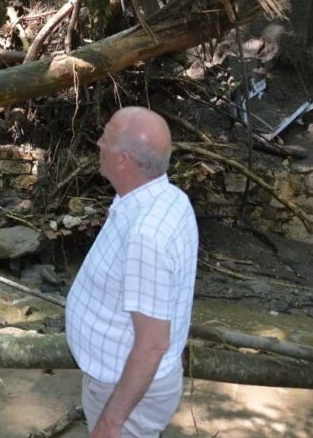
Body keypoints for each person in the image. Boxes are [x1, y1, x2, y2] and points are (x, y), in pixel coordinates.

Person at [65, 106, 198, 437]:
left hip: (124, 391)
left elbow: (153, 344)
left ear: (123, 159)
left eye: (106, 138)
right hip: (127, 382)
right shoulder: (169, 198)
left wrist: (111, 423)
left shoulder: (146, 235)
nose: (98, 143)